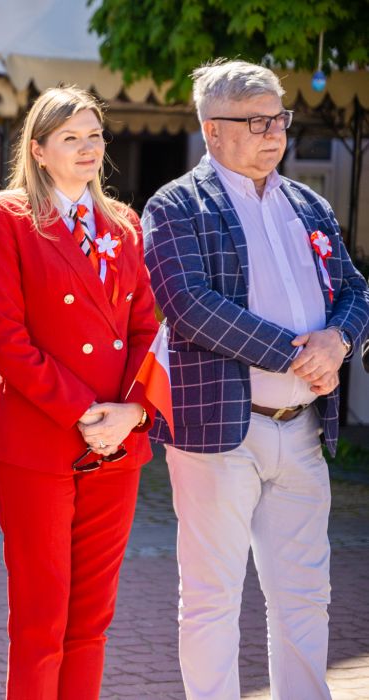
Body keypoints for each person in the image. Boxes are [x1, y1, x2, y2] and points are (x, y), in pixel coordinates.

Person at [142, 59, 369, 699]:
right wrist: (297, 356)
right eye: (257, 122)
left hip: (302, 430)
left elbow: (354, 289)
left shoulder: (309, 203)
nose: (275, 134)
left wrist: (337, 340)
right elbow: (188, 304)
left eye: (280, 119)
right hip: (219, 431)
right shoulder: (176, 205)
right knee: (212, 597)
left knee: (305, 593)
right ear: (212, 130)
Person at [0, 86, 160, 698]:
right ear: (38, 149)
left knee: (91, 621)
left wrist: (132, 412)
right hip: (37, 438)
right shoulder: (5, 216)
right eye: (70, 138)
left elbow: (147, 329)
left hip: (117, 443)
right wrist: (83, 411)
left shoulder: (124, 223)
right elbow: (1, 335)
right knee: (41, 619)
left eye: (94, 136)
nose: (87, 148)